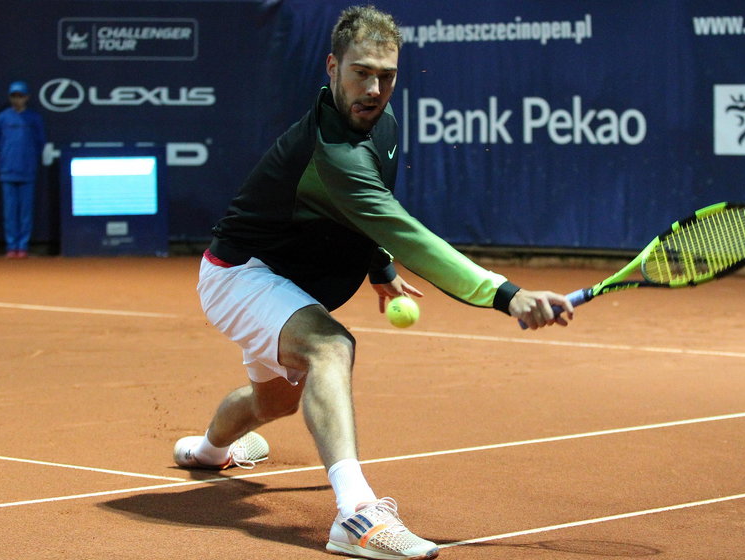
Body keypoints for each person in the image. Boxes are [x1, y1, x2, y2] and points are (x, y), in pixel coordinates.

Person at [173, 5, 574, 559]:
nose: (375, 88)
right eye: (361, 72)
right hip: (240, 275)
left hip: (288, 286)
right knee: (330, 346)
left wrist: (379, 268)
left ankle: (208, 451)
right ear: (332, 67)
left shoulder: (381, 125)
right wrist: (508, 294)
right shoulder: (329, 149)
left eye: (387, 75)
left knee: (277, 403)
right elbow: (408, 233)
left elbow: (369, 214)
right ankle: (356, 515)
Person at [0, 81, 46, 258]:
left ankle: (22, 247)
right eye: (14, 96)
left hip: (27, 171)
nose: (17, 99)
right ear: (10, 98)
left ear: (27, 98)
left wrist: (28, 159)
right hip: (7, 171)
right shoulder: (2, 118)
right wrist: (6, 159)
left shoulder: (34, 118)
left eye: (20, 96)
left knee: (25, 213)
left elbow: (40, 142)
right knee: (9, 212)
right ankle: (11, 247)